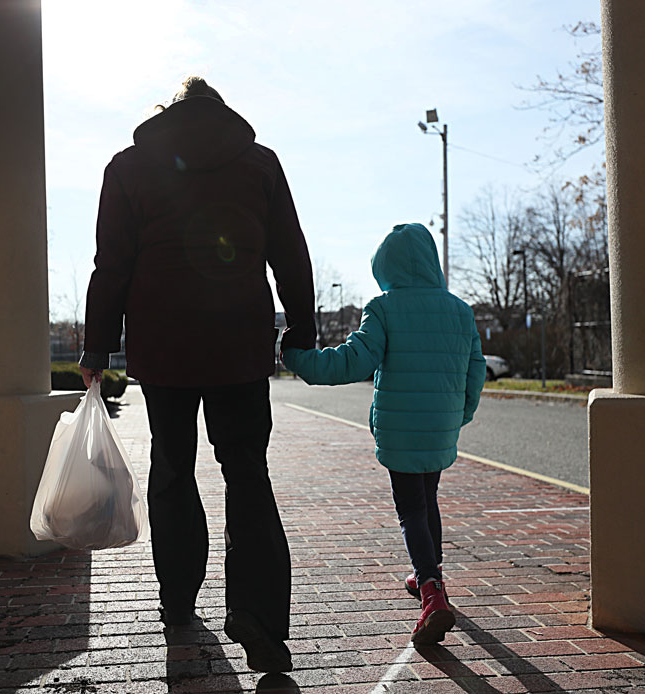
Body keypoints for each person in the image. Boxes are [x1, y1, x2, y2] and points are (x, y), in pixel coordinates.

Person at [79, 76, 315, 673]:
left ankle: (178, 600)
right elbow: (290, 251)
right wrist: (302, 330)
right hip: (238, 342)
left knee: (173, 464)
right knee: (246, 471)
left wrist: (97, 347)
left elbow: (111, 264)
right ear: (221, 108)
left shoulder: (128, 167)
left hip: (164, 345)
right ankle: (258, 617)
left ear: (169, 111)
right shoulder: (258, 162)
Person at [281, 222, 486, 645]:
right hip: (441, 426)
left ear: (385, 266)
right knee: (428, 500)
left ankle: (431, 592)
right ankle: (430, 573)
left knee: (410, 508)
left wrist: (299, 360)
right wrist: (459, 414)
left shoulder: (384, 307)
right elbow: (475, 369)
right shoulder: (460, 310)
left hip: (399, 429)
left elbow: (353, 361)